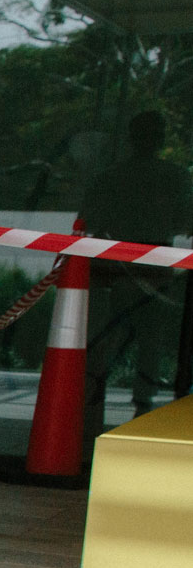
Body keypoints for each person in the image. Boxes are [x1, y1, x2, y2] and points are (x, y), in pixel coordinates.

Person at [82, 110, 191, 431]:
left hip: (117, 263)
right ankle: (141, 405)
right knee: (148, 338)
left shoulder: (112, 176)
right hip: (150, 263)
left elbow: (89, 220)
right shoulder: (175, 177)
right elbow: (186, 221)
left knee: (108, 335)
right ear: (160, 138)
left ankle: (94, 399)